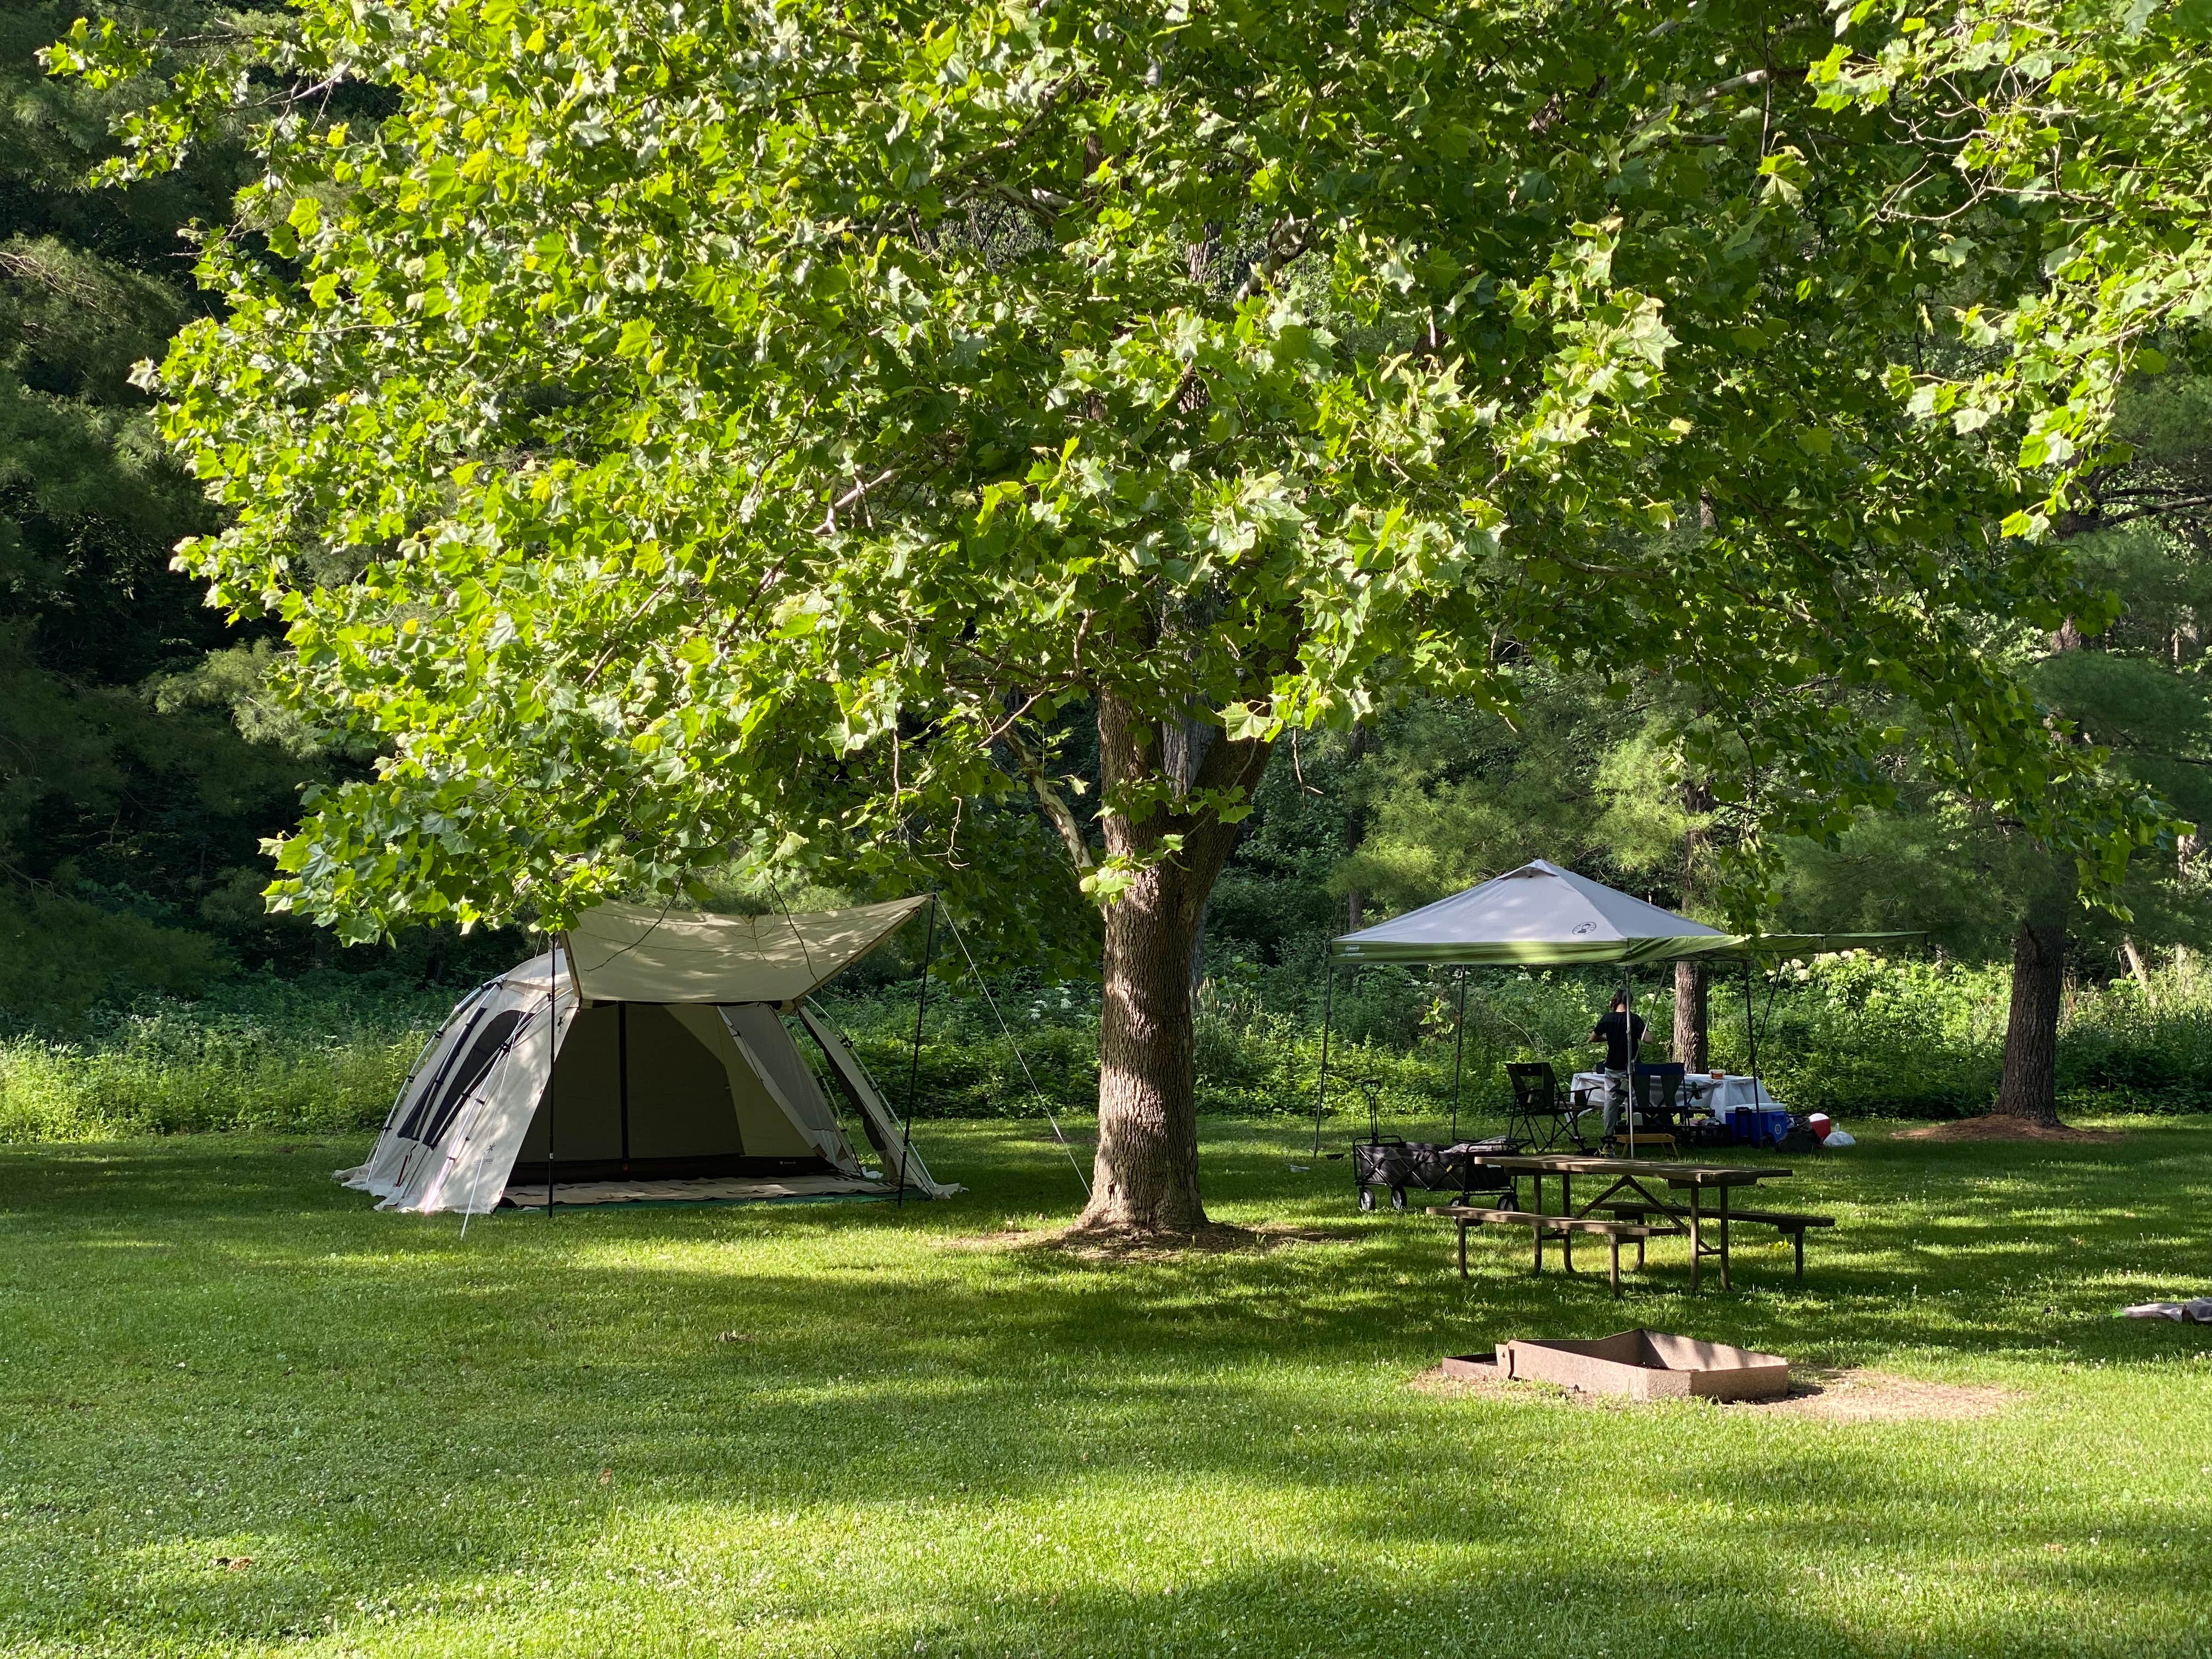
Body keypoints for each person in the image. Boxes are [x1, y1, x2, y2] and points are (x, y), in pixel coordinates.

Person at [1588, 990, 1646, 1139]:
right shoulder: (1634, 1019)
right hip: (1631, 1067)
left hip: (1613, 1065)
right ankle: (1634, 1132)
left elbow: (1593, 1038)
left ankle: (1608, 1133)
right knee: (1632, 1100)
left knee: (1611, 1101)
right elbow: (1649, 1039)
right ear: (1630, 1002)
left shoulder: (1607, 1019)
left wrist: (1609, 1038)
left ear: (1614, 1002)